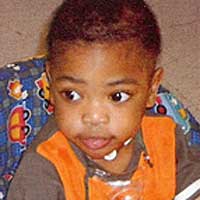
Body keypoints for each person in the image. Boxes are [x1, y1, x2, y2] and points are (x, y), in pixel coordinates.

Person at [7, 0, 200, 199]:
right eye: (71, 95)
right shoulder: (44, 168)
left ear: (152, 89)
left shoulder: (165, 138)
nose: (94, 117)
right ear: (51, 83)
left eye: (117, 96)